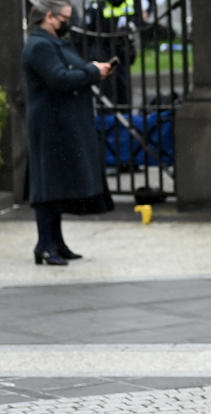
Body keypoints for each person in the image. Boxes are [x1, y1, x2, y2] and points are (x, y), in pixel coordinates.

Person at [21, 0, 115, 266]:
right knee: (47, 186)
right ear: (49, 16)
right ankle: (44, 244)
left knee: (56, 184)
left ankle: (56, 242)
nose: (68, 24)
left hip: (61, 125)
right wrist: (92, 71)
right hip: (49, 126)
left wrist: (92, 71)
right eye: (65, 18)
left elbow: (69, 72)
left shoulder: (52, 43)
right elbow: (59, 78)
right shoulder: (39, 45)